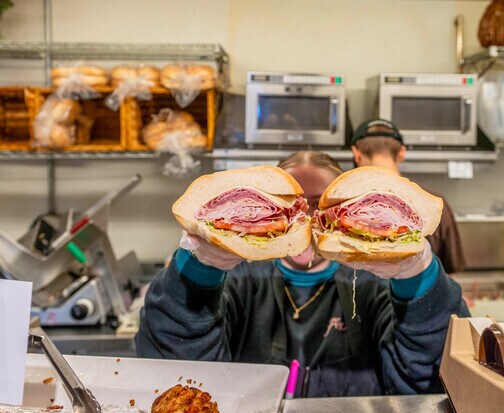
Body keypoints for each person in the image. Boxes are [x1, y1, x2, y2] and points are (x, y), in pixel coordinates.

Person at [135, 150, 469, 397]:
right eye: (292, 205)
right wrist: (197, 270)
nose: (306, 218)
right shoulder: (240, 280)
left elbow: (428, 377)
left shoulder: (372, 285)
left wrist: (418, 276)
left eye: (317, 203)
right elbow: (178, 369)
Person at [350, 119, 467, 274]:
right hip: (422, 297)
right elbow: (451, 273)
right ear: (402, 153)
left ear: (356, 154)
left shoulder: (347, 206)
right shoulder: (434, 205)